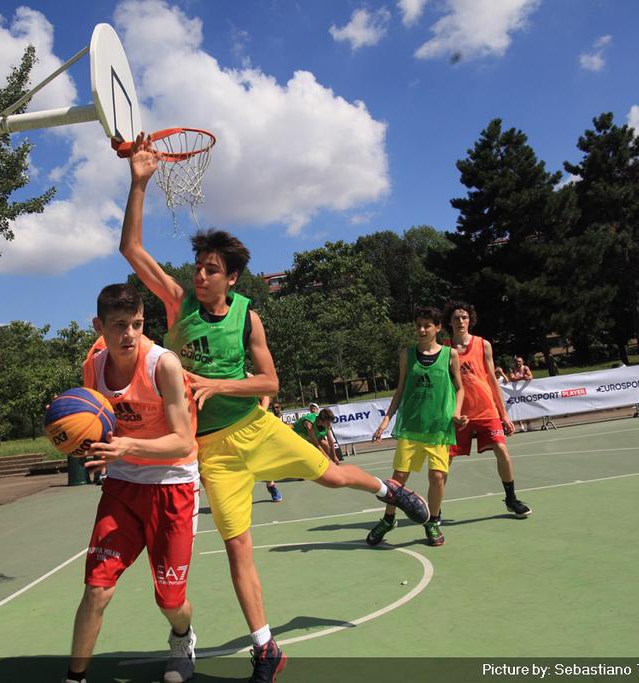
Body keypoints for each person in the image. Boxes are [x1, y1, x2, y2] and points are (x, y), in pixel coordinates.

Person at [118, 133, 429, 682]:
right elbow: (131, 250)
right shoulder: (177, 304)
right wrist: (139, 181)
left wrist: (217, 386)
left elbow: (269, 380)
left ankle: (390, 491)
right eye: (198, 266)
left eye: (211, 269)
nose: (200, 275)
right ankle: (266, 649)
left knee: (332, 475)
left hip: (256, 427)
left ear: (231, 278)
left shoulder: (249, 317)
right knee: (238, 548)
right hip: (213, 452)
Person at [65, 284, 200, 683]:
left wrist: (127, 446)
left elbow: (183, 441)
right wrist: (76, 435)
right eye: (119, 325)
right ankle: (75, 677)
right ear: (99, 326)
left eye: (137, 324)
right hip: (123, 486)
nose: (130, 334)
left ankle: (183, 637)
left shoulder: (163, 365)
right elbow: (96, 422)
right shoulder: (94, 367)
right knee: (97, 587)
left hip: (173, 483)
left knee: (170, 601)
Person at [369, 306, 466, 546]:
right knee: (398, 478)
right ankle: (388, 519)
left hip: (438, 427)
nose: (422, 330)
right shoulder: (407, 355)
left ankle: (432, 522)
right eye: (418, 326)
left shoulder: (450, 355)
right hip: (411, 426)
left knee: (437, 477)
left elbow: (460, 389)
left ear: (438, 328)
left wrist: (456, 413)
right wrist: (386, 419)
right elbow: (400, 389)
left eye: (427, 326)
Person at [442, 301, 532, 518]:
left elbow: (492, 379)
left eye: (464, 317)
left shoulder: (483, 345)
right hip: (458, 412)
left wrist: (504, 414)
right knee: (445, 459)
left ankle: (511, 499)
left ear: (470, 320)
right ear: (449, 322)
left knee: (502, 450)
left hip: (485, 409)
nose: (460, 321)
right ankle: (435, 509)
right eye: (456, 318)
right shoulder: (444, 348)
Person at [256, 384, 282, 503]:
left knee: (265, 465)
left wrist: (262, 411)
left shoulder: (246, 378)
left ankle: (271, 486)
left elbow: (265, 396)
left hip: (257, 436)